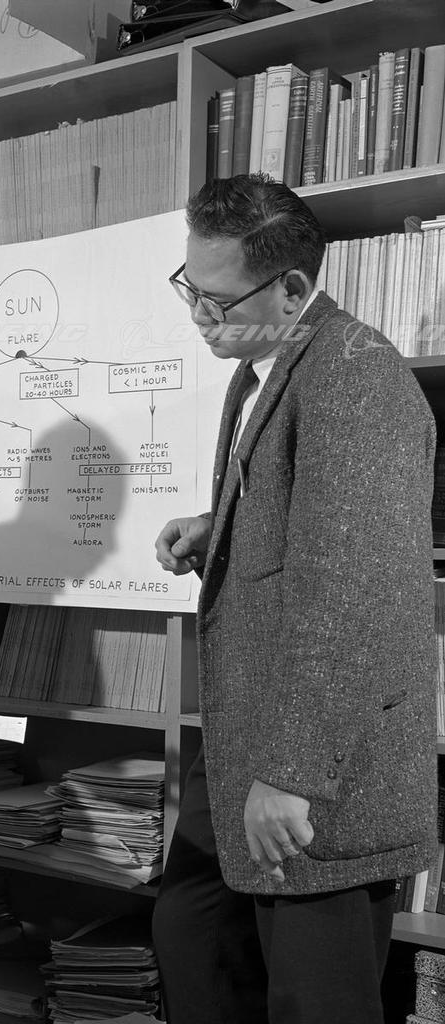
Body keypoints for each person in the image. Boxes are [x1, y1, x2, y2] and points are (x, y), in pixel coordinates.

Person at [152, 173, 437, 1024]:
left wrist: (292, 774)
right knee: (196, 946)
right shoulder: (262, 364)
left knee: (314, 1001)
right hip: (246, 729)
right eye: (189, 290)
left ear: (291, 287)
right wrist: (219, 529)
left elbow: (354, 592)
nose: (199, 317)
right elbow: (312, 521)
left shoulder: (354, 375)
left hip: (317, 765)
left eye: (217, 301)